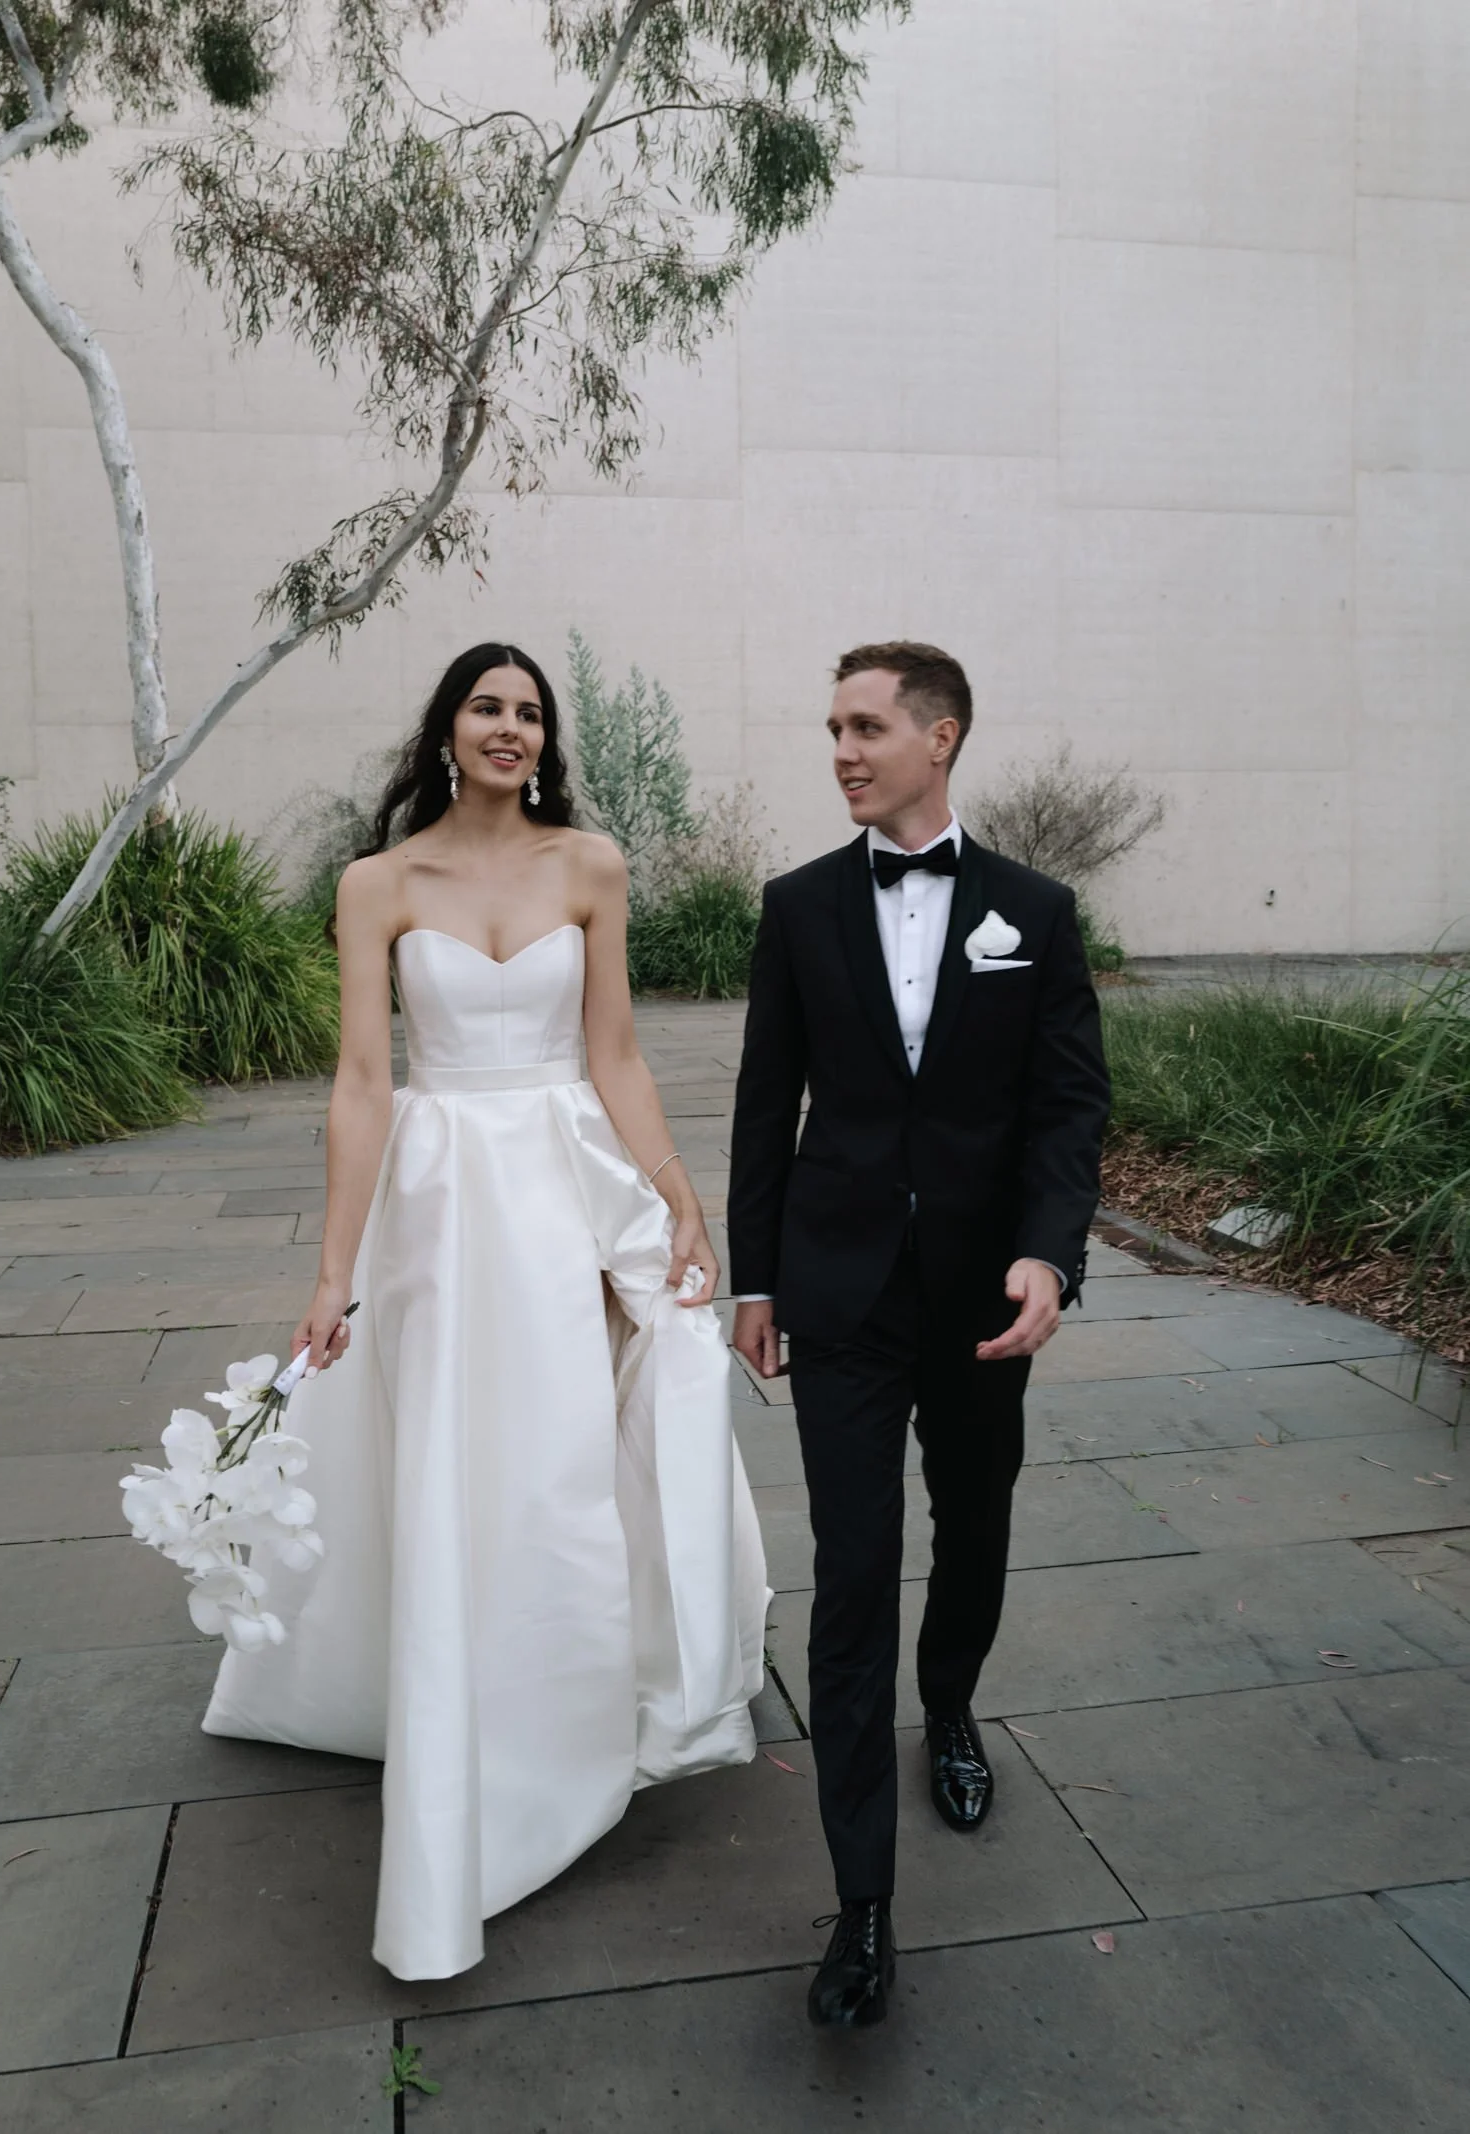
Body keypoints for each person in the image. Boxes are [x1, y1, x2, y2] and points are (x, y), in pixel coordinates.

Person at [203, 642, 768, 1982]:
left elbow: (614, 1050)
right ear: (446, 730)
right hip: (444, 1204)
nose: (510, 728)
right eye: (486, 707)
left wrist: (682, 1202)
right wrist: (332, 1272)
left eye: (529, 712)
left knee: (561, 1459)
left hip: (565, 1190)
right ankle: (458, 1709)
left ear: (544, 739)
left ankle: (564, 1721)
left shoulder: (591, 866)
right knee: (453, 1459)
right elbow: (362, 1083)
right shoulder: (379, 885)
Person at [728, 642, 1109, 2028]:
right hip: (837, 1292)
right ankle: (864, 1905)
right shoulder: (798, 907)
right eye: (832, 727)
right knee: (850, 1576)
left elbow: (1068, 1107)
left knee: (976, 1525)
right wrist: (754, 1283)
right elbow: (765, 1105)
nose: (841, 750)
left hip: (979, 1299)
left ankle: (949, 1702)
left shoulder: (1034, 913)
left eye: (865, 726)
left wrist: (1048, 1252)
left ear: (939, 737)